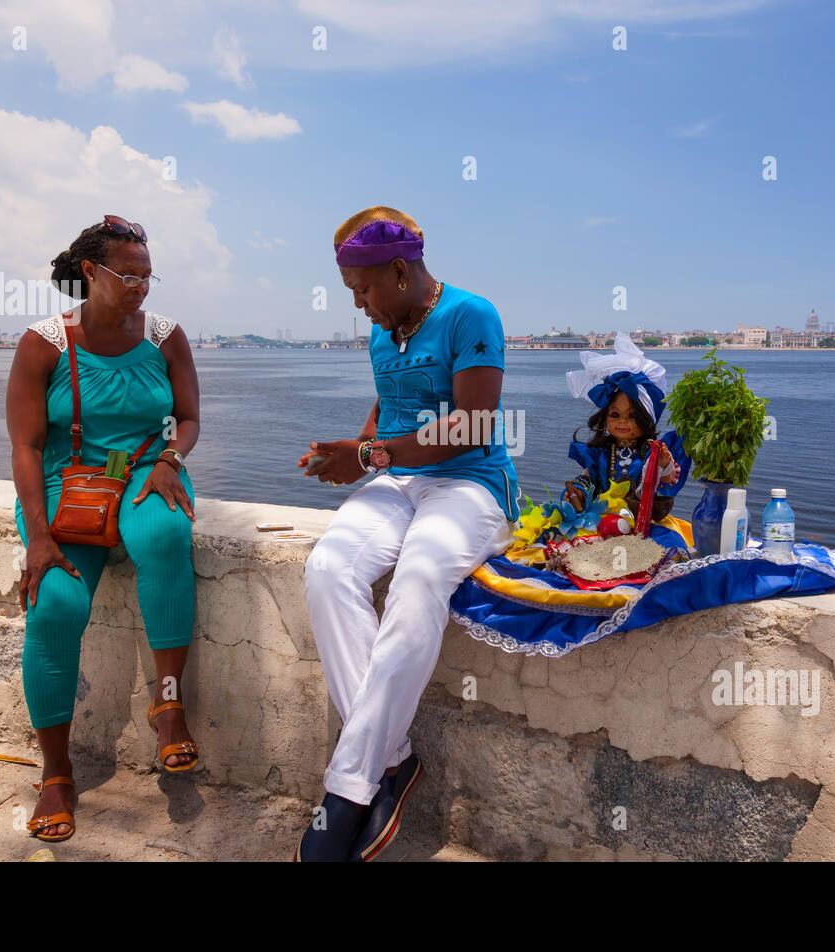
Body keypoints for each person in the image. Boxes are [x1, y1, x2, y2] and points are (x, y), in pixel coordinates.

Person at [295, 206, 519, 861]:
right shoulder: (383, 329)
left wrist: (368, 458)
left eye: (363, 290)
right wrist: (357, 449)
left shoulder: (471, 316)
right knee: (328, 570)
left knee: (418, 578)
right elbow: (389, 406)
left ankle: (348, 793)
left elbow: (474, 424)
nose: (359, 305)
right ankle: (392, 757)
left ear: (399, 270)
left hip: (471, 484)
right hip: (399, 480)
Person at [5, 215, 201, 843]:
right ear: (90, 272)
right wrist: (38, 536)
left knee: (165, 536)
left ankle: (168, 705)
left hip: (148, 472)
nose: (142, 287)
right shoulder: (44, 342)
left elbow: (190, 418)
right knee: (56, 603)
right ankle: (56, 773)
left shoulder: (166, 337)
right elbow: (27, 446)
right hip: (68, 486)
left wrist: (171, 459)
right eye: (128, 275)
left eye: (149, 276)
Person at [563, 332, 690, 523]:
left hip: (643, 521)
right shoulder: (602, 451)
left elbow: (667, 479)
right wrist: (578, 492)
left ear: (646, 419)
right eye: (615, 415)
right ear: (604, 416)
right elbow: (588, 478)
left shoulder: (649, 450)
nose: (622, 422)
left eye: (632, 416)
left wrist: (664, 464)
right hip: (603, 518)